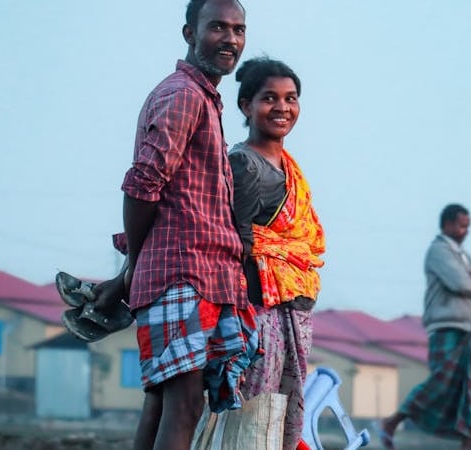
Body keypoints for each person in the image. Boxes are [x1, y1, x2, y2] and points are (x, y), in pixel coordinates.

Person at [59, 1, 258, 449]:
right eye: (218, 28)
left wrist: (128, 274)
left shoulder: (202, 97)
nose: (230, 39)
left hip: (196, 275)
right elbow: (142, 185)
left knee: (165, 404)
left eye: (239, 30)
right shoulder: (183, 96)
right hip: (184, 274)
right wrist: (135, 260)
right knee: (184, 405)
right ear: (190, 34)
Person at [214, 56, 324, 450]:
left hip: (290, 310)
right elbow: (233, 244)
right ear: (246, 105)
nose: (282, 107)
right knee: (254, 418)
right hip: (257, 315)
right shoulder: (245, 165)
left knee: (279, 421)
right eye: (269, 98)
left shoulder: (288, 166)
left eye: (291, 98)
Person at [379, 204, 471, 450]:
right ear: (448, 225)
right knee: (441, 382)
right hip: (446, 327)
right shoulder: (439, 251)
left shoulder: (461, 254)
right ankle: (393, 421)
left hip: (467, 329)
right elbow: (462, 283)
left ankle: (468, 442)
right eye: (462, 226)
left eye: (467, 226)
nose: (466, 231)